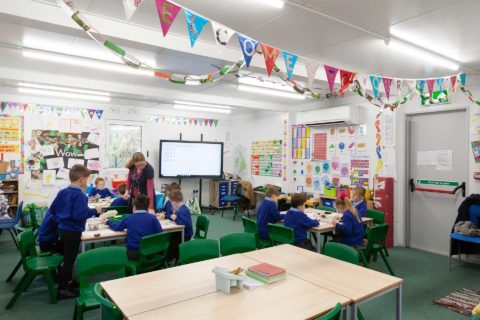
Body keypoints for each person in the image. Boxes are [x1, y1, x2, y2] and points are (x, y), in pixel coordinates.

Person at [51, 164, 101, 299]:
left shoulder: (62, 192)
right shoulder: (80, 196)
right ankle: (62, 289)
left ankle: (68, 283)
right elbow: (80, 215)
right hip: (73, 232)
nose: (88, 182)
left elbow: (52, 211)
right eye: (88, 179)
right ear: (81, 180)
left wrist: (62, 220)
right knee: (69, 260)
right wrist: (94, 211)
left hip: (63, 230)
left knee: (68, 259)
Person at [104, 195, 162, 260]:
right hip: (150, 252)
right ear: (147, 207)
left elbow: (117, 227)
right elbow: (160, 233)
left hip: (133, 254)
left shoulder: (129, 218)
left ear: (134, 207)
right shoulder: (153, 218)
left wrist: (108, 222)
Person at [167, 190, 193, 263]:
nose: (171, 204)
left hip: (185, 235)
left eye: (171, 202)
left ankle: (172, 258)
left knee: (170, 241)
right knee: (170, 237)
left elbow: (184, 223)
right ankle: (172, 257)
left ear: (174, 202)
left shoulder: (183, 210)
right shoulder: (182, 208)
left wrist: (175, 218)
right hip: (183, 232)